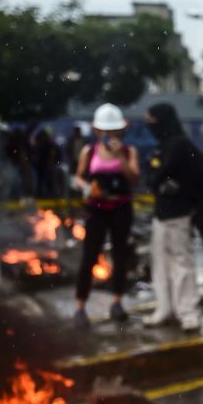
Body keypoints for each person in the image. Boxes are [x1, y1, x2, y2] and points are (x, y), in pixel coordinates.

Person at [72, 103, 139, 329]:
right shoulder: (88, 152)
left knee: (120, 255)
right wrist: (89, 189)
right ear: (97, 130)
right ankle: (81, 306)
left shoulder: (129, 151)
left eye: (113, 131)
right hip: (97, 209)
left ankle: (117, 301)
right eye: (105, 131)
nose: (109, 135)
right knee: (90, 256)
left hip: (121, 208)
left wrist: (120, 156)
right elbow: (78, 178)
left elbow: (134, 178)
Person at [143, 102, 203, 332]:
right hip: (162, 215)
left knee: (181, 264)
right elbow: (152, 176)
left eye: (152, 120)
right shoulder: (165, 145)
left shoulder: (180, 145)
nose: (149, 125)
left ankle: (188, 313)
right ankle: (165, 308)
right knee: (160, 264)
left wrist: (186, 191)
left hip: (178, 215)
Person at [33, 127, 60, 198]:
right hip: (42, 166)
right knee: (42, 181)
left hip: (47, 166)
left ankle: (50, 194)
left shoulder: (50, 145)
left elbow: (54, 155)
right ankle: (42, 194)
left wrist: (52, 162)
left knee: (49, 181)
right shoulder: (41, 145)